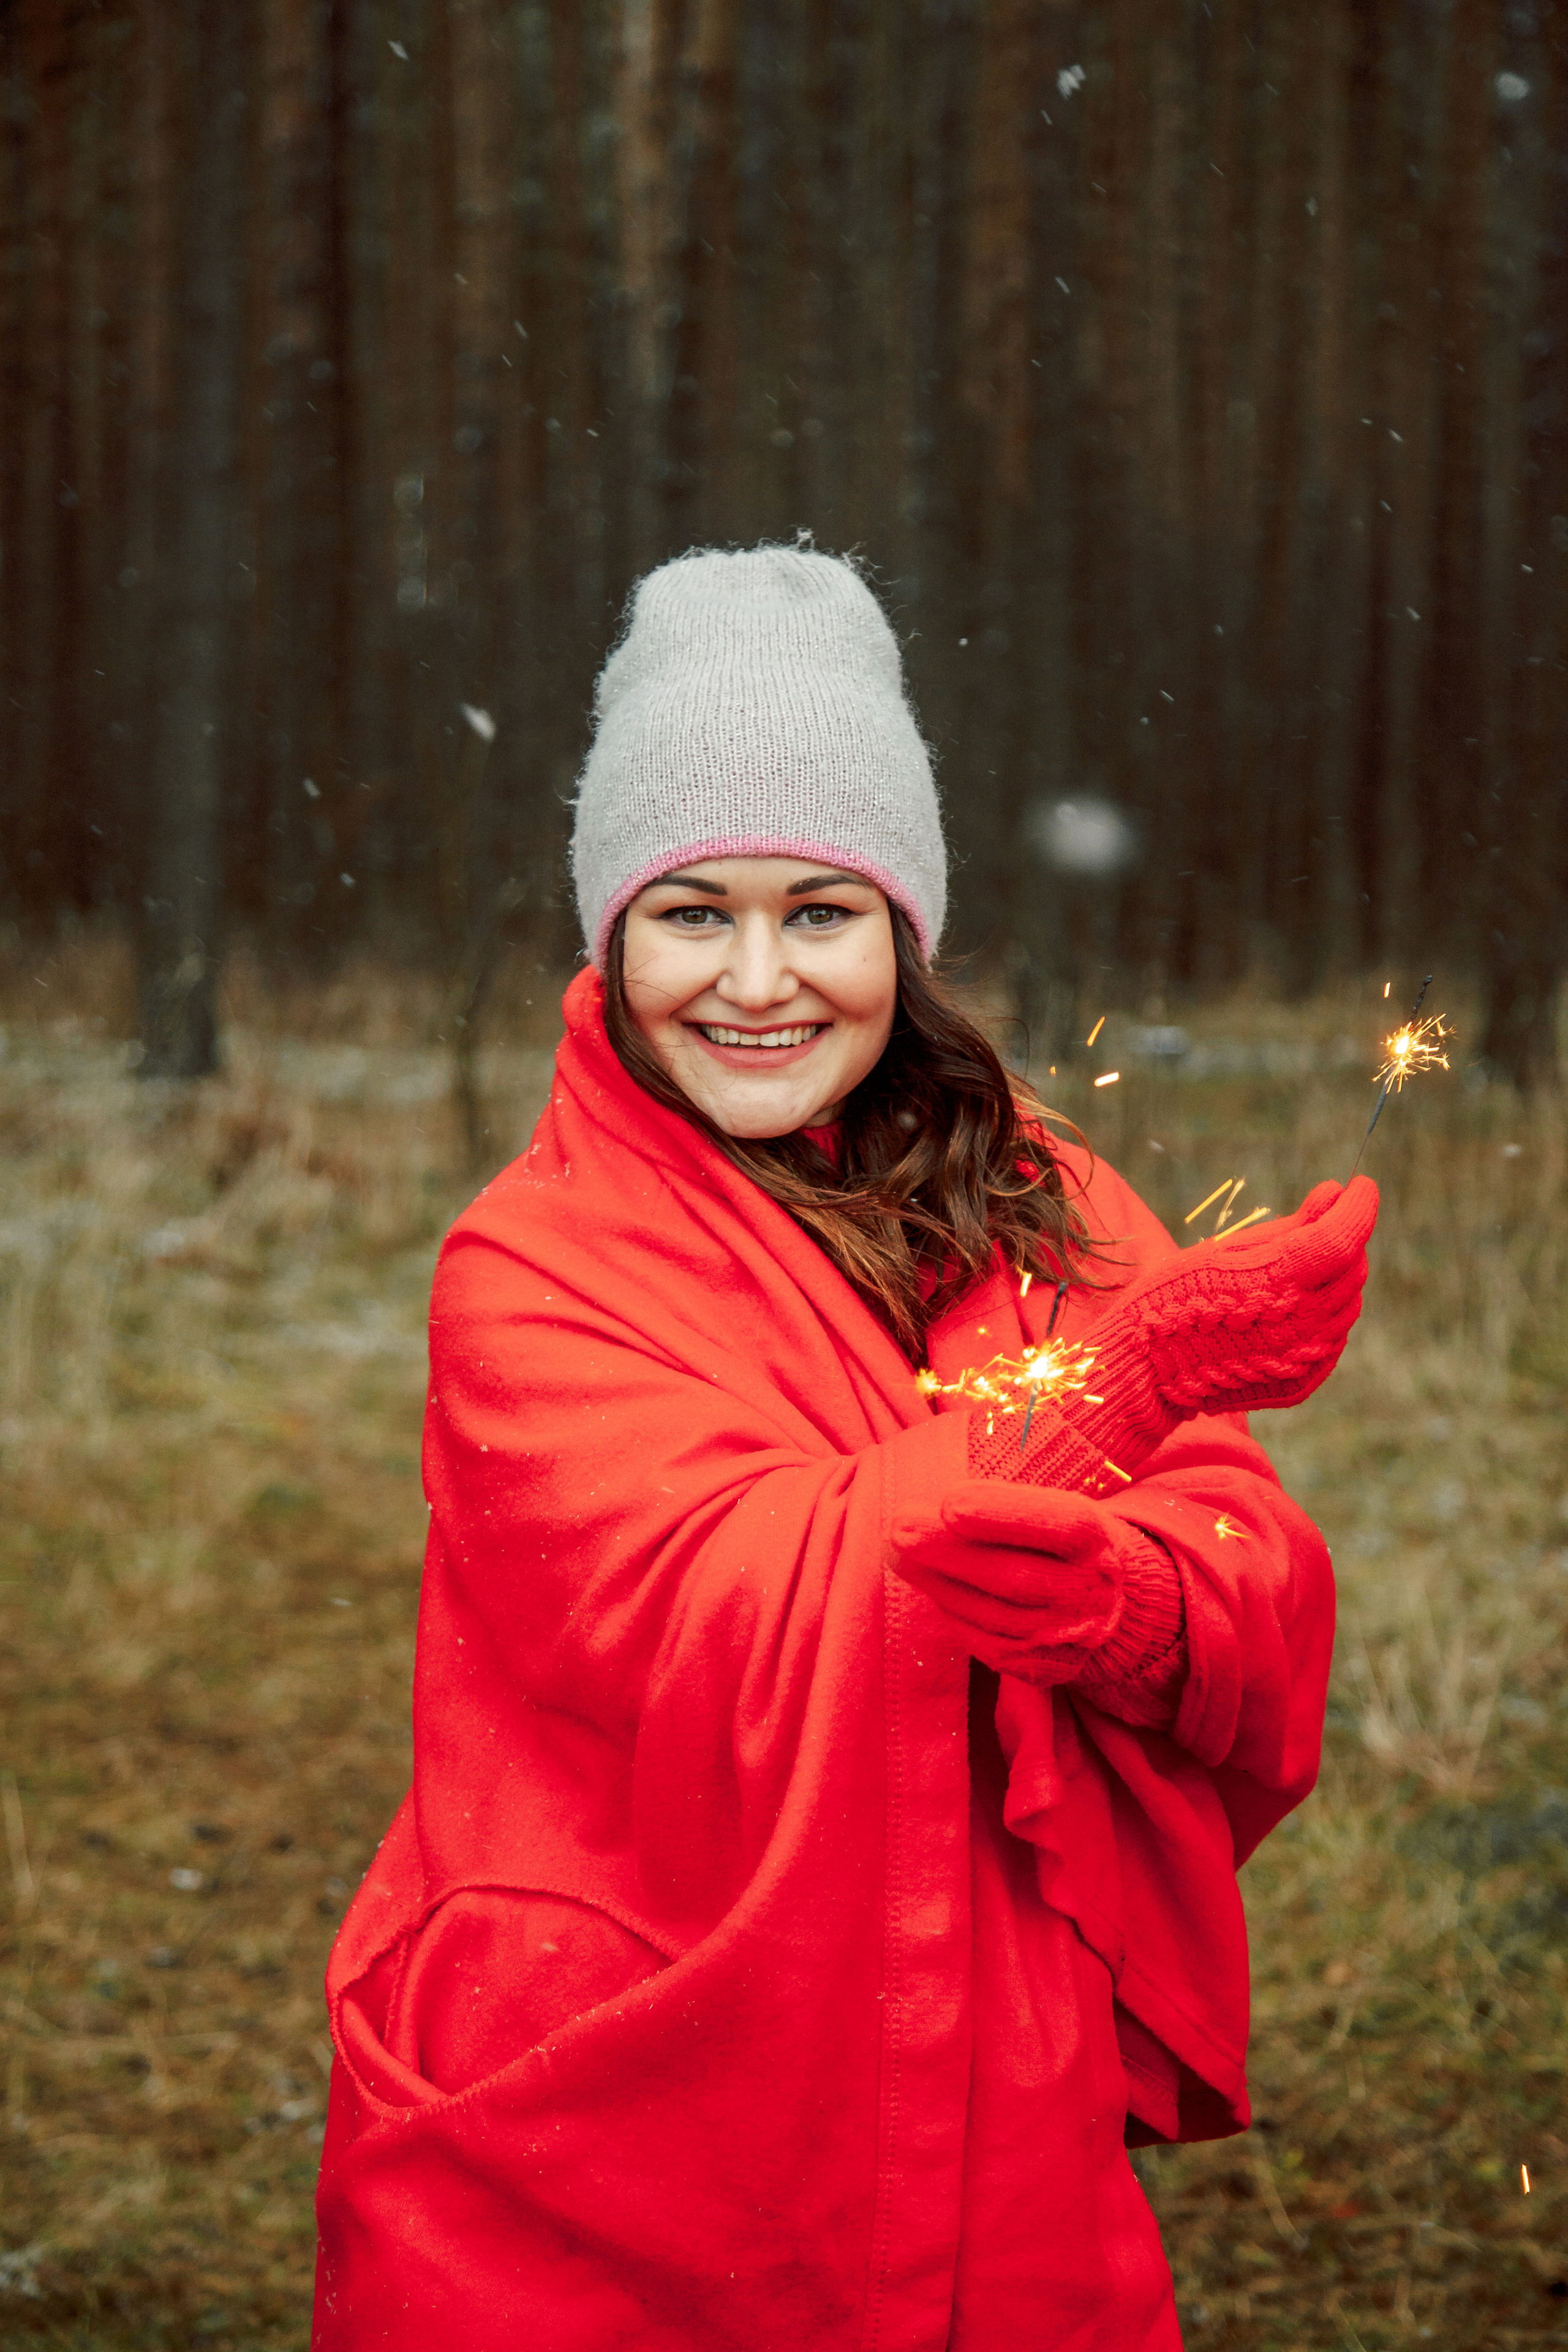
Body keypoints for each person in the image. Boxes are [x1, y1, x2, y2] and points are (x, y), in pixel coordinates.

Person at [312, 546, 1376, 2349]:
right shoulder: (532, 1265)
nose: (755, 982)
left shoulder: (1042, 1192)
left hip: (989, 2069)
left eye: (819, 911)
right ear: (609, 932)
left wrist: (1134, 1613)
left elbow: (1250, 1560)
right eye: (689, 913)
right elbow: (733, 1611)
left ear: (905, 931)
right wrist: (1115, 1403)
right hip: (619, 2087)